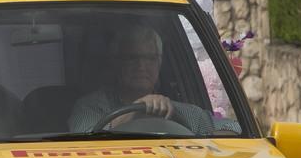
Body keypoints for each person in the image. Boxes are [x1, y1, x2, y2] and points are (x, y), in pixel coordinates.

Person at [68, 25, 237, 135]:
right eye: (132, 58)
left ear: (159, 62)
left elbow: (237, 133)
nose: (142, 66)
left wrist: (225, 136)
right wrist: (135, 110)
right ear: (116, 63)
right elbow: (82, 140)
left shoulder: (187, 113)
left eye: (150, 58)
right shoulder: (90, 107)